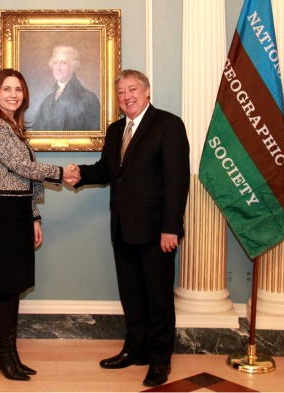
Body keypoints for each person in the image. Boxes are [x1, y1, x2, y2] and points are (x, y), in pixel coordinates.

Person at [65, 69, 190, 387]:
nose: (126, 96)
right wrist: (79, 173)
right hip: (122, 228)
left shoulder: (168, 124)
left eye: (132, 89)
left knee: (158, 298)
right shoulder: (115, 129)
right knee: (132, 295)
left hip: (157, 232)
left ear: (147, 91)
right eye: (120, 92)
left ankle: (160, 361)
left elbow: (178, 182)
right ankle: (135, 350)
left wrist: (171, 227)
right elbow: (108, 170)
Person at [0, 68, 76, 381]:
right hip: (2, 211)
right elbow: (20, 166)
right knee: (6, 286)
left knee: (15, 286)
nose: (13, 95)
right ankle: (5, 354)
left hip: (18, 210)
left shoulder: (14, 128)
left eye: (18, 90)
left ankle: (8, 353)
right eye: (7, 89)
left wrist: (34, 216)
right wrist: (62, 173)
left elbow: (23, 179)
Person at [31, 45, 100, 131]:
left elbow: (94, 134)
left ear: (73, 67)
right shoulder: (47, 101)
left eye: (64, 63)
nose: (58, 68)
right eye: (55, 63)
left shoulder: (89, 99)